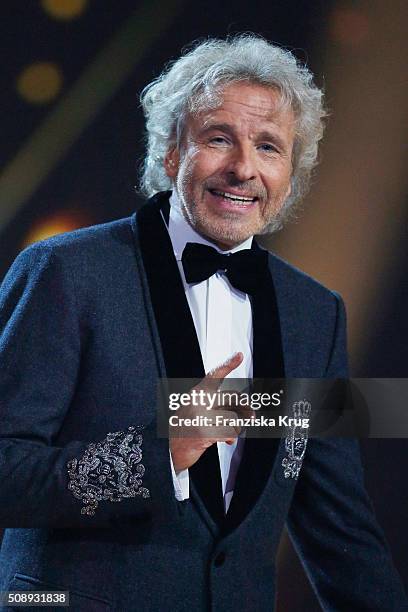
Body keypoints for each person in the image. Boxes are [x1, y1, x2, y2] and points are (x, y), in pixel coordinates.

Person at [0, 34, 406, 611]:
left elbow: (341, 529)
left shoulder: (316, 315)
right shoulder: (65, 271)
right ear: (170, 153)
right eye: (219, 139)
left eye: (270, 147)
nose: (244, 168)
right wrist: (157, 454)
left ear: (291, 173)